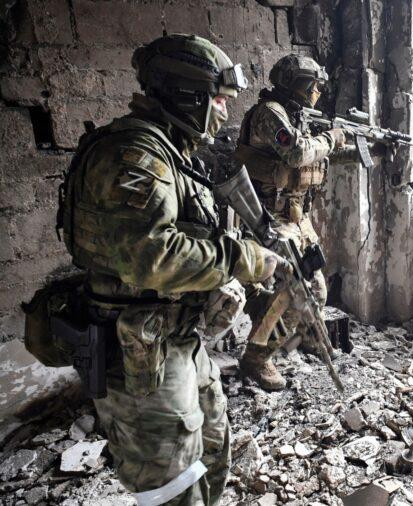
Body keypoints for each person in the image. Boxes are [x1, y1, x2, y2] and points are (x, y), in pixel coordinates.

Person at [57, 34, 288, 505]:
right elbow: (150, 256)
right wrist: (241, 259)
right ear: (189, 96)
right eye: (219, 100)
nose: (224, 111)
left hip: (179, 340)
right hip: (140, 359)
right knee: (174, 492)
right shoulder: (133, 155)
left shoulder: (172, 152)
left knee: (214, 456)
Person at [235, 54, 348, 391]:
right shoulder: (269, 113)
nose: (316, 91)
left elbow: (312, 156)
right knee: (301, 288)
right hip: (266, 217)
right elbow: (297, 153)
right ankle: (256, 357)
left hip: (296, 217)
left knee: (317, 286)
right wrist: (331, 139)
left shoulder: (297, 116)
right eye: (309, 84)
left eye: (317, 85)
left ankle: (309, 336)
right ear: (291, 83)